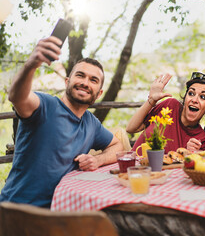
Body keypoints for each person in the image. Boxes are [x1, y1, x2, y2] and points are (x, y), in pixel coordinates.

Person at [0, 36, 123, 207]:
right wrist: (32, 64)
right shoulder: (45, 105)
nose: (85, 83)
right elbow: (17, 96)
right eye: (80, 75)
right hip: (18, 210)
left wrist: (98, 160)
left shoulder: (91, 123)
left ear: (99, 93)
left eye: (93, 80)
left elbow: (117, 146)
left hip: (62, 208)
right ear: (67, 82)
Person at [127, 72, 205, 153]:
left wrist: (190, 154)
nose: (194, 100)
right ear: (185, 98)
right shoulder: (169, 106)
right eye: (191, 93)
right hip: (133, 166)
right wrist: (151, 100)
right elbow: (131, 128)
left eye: (203, 97)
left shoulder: (201, 140)